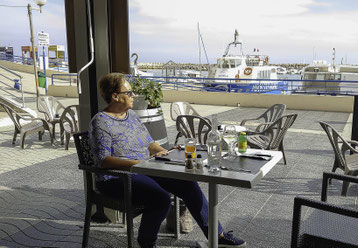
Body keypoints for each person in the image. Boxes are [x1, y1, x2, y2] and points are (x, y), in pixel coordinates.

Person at [89, 73, 246, 248]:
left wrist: (164, 152)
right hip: (116, 178)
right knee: (161, 198)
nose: (133, 95)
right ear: (115, 96)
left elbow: (149, 143)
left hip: (143, 169)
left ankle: (218, 236)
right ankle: (147, 243)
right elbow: (104, 160)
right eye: (129, 92)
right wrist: (137, 165)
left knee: (188, 184)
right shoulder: (101, 122)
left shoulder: (131, 116)